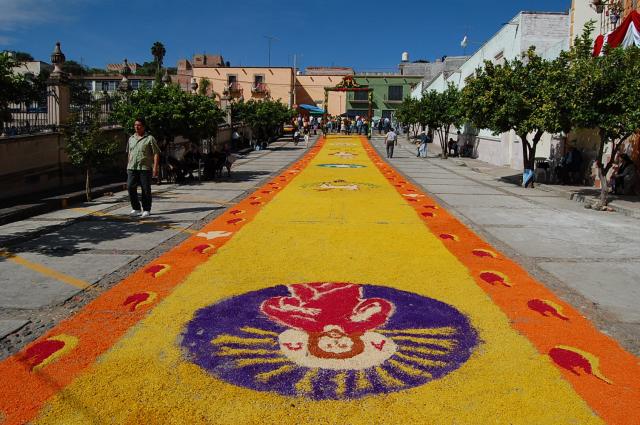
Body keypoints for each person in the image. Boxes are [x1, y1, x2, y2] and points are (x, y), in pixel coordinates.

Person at [127, 118, 160, 218]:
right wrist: (128, 164)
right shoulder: (131, 138)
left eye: (139, 125)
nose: (136, 127)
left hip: (145, 168)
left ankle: (146, 209)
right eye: (135, 125)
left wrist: (155, 167)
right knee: (130, 187)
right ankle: (136, 208)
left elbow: (156, 153)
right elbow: (129, 152)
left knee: (145, 189)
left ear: (144, 127)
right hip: (132, 167)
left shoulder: (150, 138)